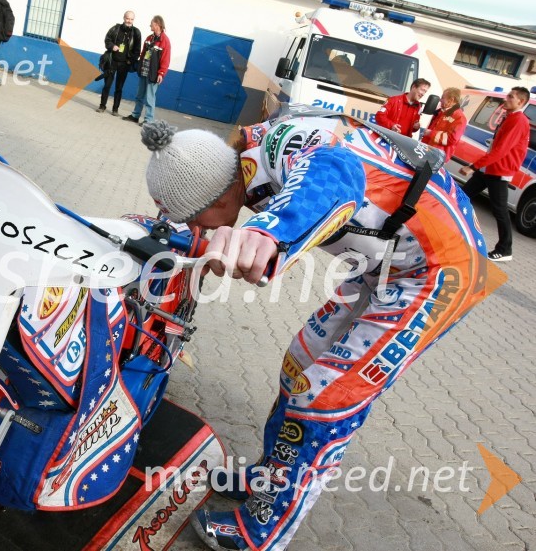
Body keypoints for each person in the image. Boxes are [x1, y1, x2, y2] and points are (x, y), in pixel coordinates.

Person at [139, 107, 490, 551]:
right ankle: (271, 477)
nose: (195, 230)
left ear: (221, 197)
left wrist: (270, 232)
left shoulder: (279, 152)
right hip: (382, 267)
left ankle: (266, 531)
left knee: (324, 396)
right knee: (298, 365)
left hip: (440, 272)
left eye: (195, 218)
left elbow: (336, 172)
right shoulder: (236, 159)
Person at [459, 86, 531, 262]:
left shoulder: (518, 120)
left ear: (520, 101)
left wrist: (473, 167)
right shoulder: (510, 117)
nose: (505, 99)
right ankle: (452, 229)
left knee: (499, 211)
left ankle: (505, 249)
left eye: (510, 96)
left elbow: (501, 150)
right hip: (490, 168)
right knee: (461, 196)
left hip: (499, 171)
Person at [123, 15, 171, 125]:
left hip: (153, 74)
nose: (150, 25)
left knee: (150, 98)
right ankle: (135, 116)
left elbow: (165, 60)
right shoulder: (149, 38)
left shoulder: (165, 41)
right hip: (144, 71)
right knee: (139, 96)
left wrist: (161, 74)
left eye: (152, 24)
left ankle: (148, 120)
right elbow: (143, 53)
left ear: (158, 25)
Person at [97, 11, 142, 115]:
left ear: (133, 20)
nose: (129, 21)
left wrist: (130, 61)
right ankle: (102, 106)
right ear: (124, 18)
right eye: (127, 18)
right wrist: (112, 46)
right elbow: (107, 39)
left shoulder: (136, 33)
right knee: (107, 85)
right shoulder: (115, 28)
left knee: (119, 88)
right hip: (112, 61)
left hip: (124, 64)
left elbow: (137, 50)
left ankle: (115, 109)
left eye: (131, 19)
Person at [420, 86, 467, 161]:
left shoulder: (459, 117)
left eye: (443, 98)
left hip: (436, 157)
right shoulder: (442, 113)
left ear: (451, 100)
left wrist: (431, 133)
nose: (440, 100)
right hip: (426, 152)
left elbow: (451, 139)